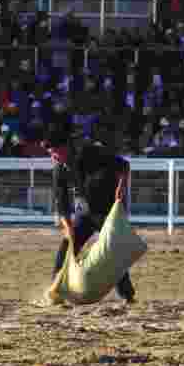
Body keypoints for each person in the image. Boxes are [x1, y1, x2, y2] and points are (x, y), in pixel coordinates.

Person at [46, 127, 136, 304]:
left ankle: (127, 295)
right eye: (50, 153)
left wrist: (121, 187)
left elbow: (124, 165)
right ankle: (56, 290)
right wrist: (68, 227)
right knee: (67, 247)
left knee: (113, 253)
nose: (53, 157)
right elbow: (61, 203)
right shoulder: (59, 170)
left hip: (108, 211)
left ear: (65, 147)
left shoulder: (91, 152)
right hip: (85, 214)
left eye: (55, 152)